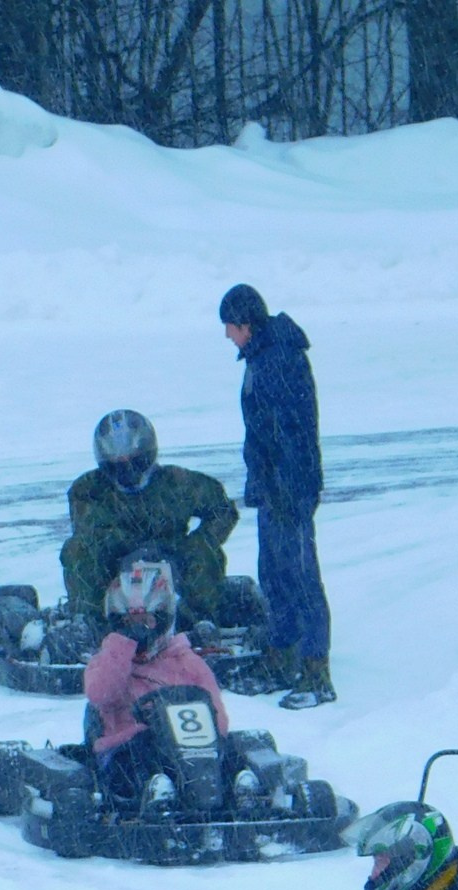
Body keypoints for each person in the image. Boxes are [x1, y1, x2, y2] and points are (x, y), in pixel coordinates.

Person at [221, 285, 334, 710]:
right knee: (272, 574)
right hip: (273, 490)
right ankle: (281, 658)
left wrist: (288, 489)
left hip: (291, 490)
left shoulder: (280, 359)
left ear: (245, 323)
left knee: (300, 577)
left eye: (229, 327)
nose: (228, 336)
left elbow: (292, 433)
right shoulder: (260, 358)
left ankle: (315, 671)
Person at [58, 410, 241, 628]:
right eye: (117, 465)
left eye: (135, 462)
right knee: (78, 551)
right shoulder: (87, 490)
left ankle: (201, 621)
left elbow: (222, 509)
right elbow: (89, 532)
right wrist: (131, 549)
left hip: (174, 555)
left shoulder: (177, 482)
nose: (127, 472)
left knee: (202, 551)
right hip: (114, 561)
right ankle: (89, 624)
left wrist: (201, 539)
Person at [80, 548, 229, 813]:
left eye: (146, 621)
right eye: (130, 621)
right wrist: (122, 646)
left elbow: (215, 711)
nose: (139, 628)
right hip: (127, 750)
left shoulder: (187, 661)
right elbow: (101, 694)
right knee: (143, 753)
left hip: (192, 752)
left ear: (162, 620)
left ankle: (242, 790)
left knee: (232, 753)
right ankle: (158, 796)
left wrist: (214, 739)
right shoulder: (107, 661)